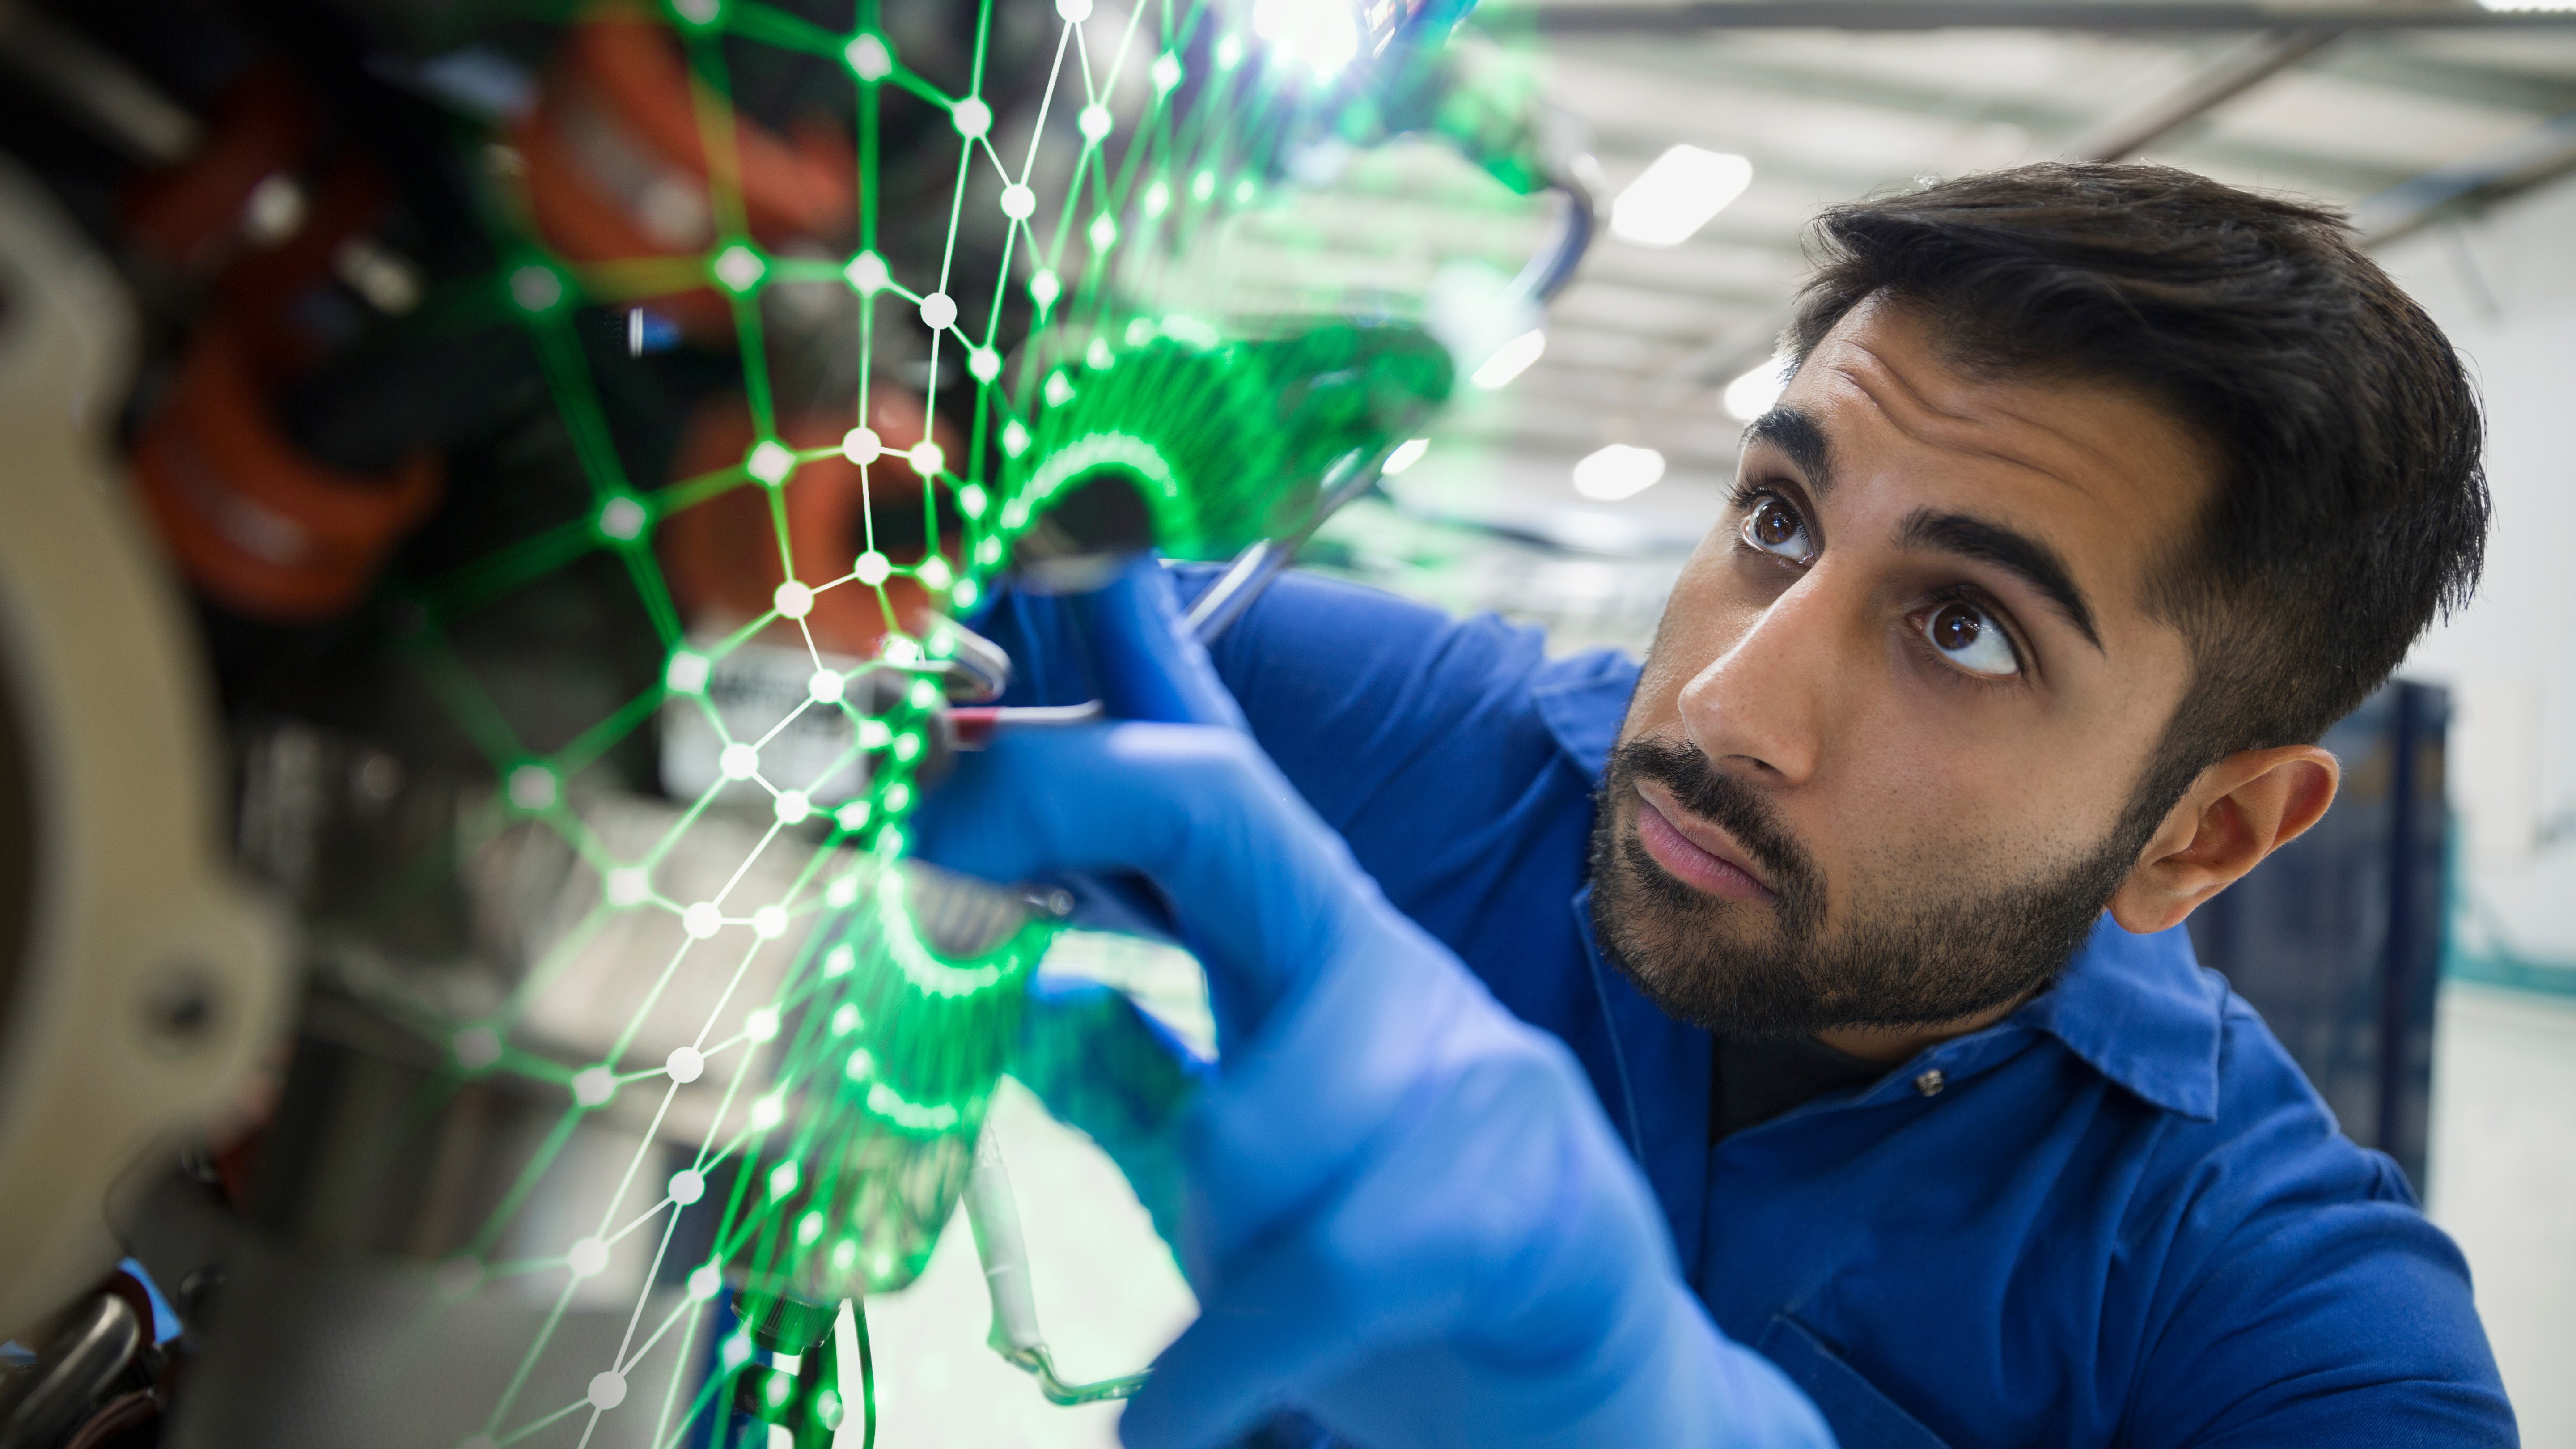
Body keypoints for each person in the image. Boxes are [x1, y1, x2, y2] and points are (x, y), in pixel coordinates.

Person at [915, 163, 2516, 1448]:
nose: (1717, 706)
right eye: (1777, 514)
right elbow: (862, 558)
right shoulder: (1476, 755)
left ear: (2203, 835)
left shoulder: (2266, 1303)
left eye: (1965, 629)